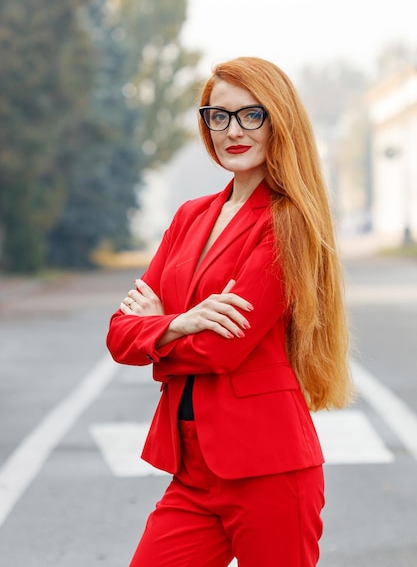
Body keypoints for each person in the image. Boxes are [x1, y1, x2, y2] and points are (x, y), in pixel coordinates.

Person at [106, 56, 353, 567]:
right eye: (218, 116)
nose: (232, 131)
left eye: (250, 115)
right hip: (192, 471)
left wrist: (157, 328)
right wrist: (180, 321)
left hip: (270, 469)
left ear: (278, 121)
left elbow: (224, 347)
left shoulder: (289, 223)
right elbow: (118, 333)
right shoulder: (189, 216)